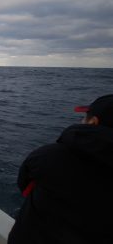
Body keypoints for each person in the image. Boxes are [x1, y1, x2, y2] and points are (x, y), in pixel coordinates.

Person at [8, 94, 113, 244]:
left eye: (84, 117)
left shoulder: (48, 156)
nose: (81, 121)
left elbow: (24, 186)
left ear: (93, 122)